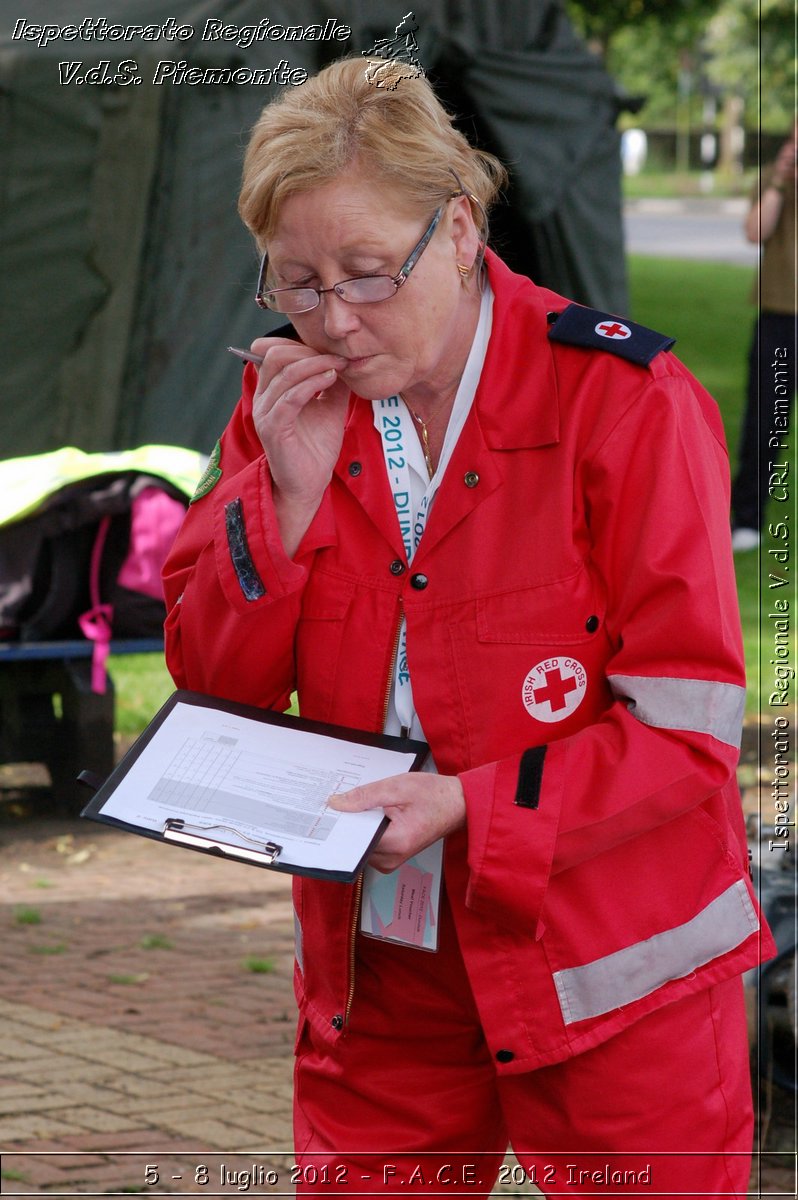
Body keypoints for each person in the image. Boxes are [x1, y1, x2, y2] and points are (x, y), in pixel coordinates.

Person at [163, 57, 774, 1197]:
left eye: (364, 273)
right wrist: (279, 514)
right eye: (294, 284)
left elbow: (686, 739)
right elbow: (212, 695)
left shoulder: (625, 402)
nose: (333, 321)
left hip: (608, 962)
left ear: (456, 229)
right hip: (381, 962)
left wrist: (467, 806)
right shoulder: (286, 406)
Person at [731, 124, 797, 550]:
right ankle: (749, 520)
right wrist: (778, 178)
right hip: (780, 316)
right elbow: (756, 231)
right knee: (765, 421)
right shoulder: (774, 180)